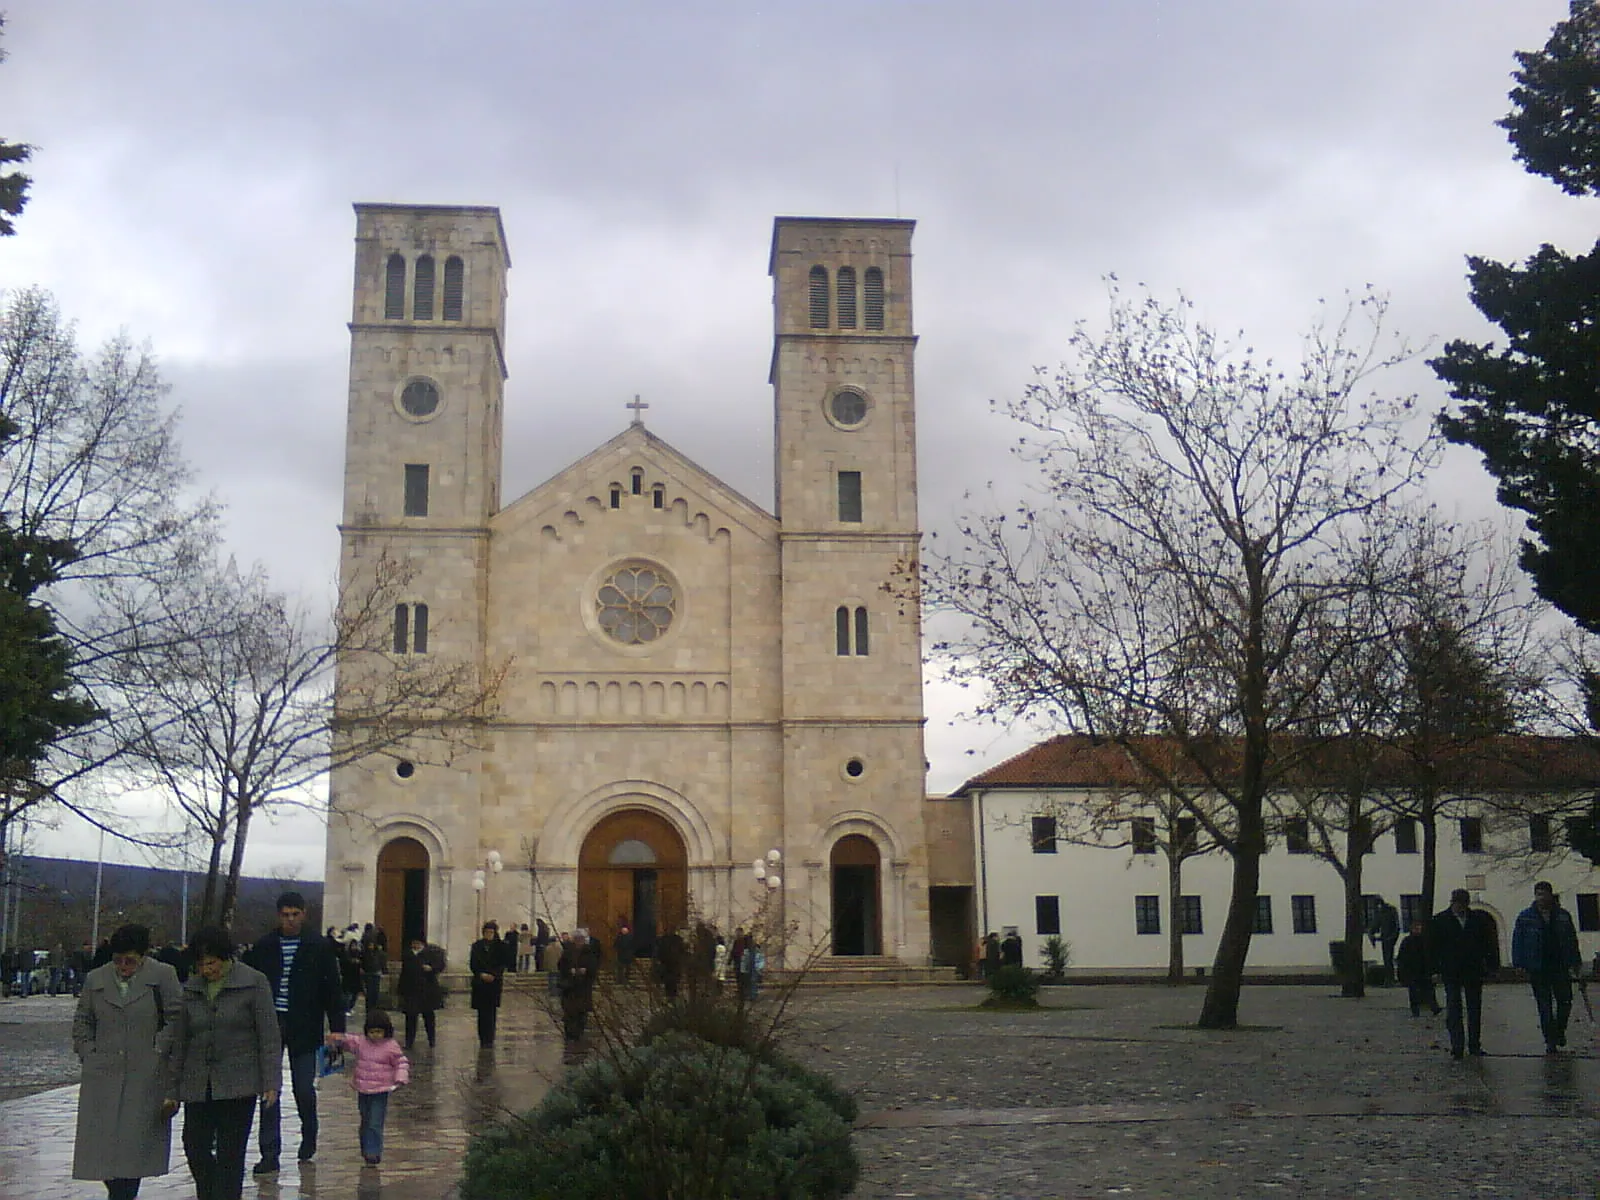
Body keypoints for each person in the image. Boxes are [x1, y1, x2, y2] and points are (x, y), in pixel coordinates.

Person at [71, 923, 184, 1200]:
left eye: (130, 961)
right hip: (103, 1074)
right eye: (118, 960)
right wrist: (88, 1051)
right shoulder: (96, 979)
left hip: (145, 1074)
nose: (123, 966)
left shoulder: (163, 976)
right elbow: (83, 1021)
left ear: (143, 956)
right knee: (104, 1150)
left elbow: (177, 1018)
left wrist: (159, 1048)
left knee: (133, 1151)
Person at [167, 926, 280, 1200]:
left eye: (212, 962)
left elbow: (268, 1035)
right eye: (201, 963)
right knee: (194, 1145)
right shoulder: (191, 989)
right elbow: (180, 1040)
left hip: (238, 1081)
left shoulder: (254, 982)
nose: (207, 969)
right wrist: (172, 1088)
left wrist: (271, 1082)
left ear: (225, 958)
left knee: (231, 1152)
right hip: (198, 1081)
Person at [242, 891, 347, 1174]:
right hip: (271, 1024)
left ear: (303, 914)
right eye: (285, 915)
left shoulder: (319, 946)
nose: (290, 920)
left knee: (303, 1087)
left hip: (306, 1023)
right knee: (269, 1088)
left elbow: (332, 988)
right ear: (279, 915)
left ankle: (309, 1130)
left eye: (295, 914)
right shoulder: (266, 946)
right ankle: (269, 1151)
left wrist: (337, 1029)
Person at [326, 1009, 409, 1166]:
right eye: (372, 1032)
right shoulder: (361, 1043)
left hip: (381, 1090)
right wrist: (337, 1038)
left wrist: (400, 1078)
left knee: (375, 1122)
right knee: (365, 1120)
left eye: (379, 1031)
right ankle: (366, 1147)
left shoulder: (391, 1046)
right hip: (363, 1089)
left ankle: (373, 1152)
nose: (375, 1035)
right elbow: (349, 1041)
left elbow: (401, 1062)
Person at [1511, 880, 1582, 1054]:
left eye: (1544, 894)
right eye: (1538, 894)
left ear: (1551, 895)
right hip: (1538, 966)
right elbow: (1517, 941)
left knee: (1565, 1001)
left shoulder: (1563, 916)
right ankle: (1550, 1040)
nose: (1541, 898)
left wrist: (1576, 962)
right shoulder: (1526, 917)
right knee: (1544, 1005)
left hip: (1560, 965)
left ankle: (1559, 1030)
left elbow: (1572, 940)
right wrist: (1519, 963)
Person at [1427, 888, 1499, 1059]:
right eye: (1457, 903)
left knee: (1474, 1009)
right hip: (1451, 971)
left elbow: (1487, 944)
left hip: (1473, 970)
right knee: (1454, 1008)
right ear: (1453, 903)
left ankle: (1474, 1044)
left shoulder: (1478, 920)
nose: (1460, 907)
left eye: (1462, 904)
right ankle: (1457, 1045)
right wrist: (1434, 970)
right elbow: (1432, 948)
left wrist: (1491, 966)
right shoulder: (1440, 921)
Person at [396, 937, 446, 1049]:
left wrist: (431, 968)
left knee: (428, 1016)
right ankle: (409, 1041)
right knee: (410, 1017)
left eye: (418, 943)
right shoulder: (408, 955)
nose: (415, 945)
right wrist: (401, 990)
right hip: (411, 990)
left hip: (427, 990)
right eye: (413, 943)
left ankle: (431, 1040)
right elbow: (404, 972)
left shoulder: (431, 953)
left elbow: (440, 966)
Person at [558, 928, 600, 1044]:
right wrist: (569, 971)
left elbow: (594, 967)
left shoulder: (589, 952)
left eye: (581, 939)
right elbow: (561, 966)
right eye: (577, 939)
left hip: (583, 988)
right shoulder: (568, 952)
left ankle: (578, 1034)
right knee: (569, 1013)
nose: (578, 941)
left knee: (581, 1013)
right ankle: (569, 1034)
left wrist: (585, 971)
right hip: (569, 988)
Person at [469, 921, 507, 1047]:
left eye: (491, 932)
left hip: (494, 983)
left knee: (491, 1012)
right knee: (481, 1012)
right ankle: (482, 1038)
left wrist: (494, 975)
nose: (489, 934)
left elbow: (502, 964)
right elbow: (473, 964)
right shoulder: (477, 946)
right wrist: (481, 974)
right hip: (480, 983)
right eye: (487, 932)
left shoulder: (500, 946)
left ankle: (490, 1038)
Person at [1394, 919, 1441, 1017]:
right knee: (1414, 993)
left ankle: (1434, 1007)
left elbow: (1431, 956)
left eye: (1419, 928)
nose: (1418, 930)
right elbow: (1402, 958)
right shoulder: (1407, 941)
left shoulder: (1425, 940)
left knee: (1429, 990)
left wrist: (1433, 970)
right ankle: (1416, 1010)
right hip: (1412, 971)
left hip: (1424, 971)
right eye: (1416, 928)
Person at [1367, 899, 1401, 986]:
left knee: (1388, 958)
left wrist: (1393, 937)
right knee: (1387, 959)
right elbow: (1375, 924)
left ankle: (1390, 979)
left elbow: (1397, 926)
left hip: (1390, 938)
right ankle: (1388, 979)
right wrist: (1371, 933)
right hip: (1385, 938)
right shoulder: (1380, 912)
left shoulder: (1391, 910)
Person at [360, 924, 387, 1012]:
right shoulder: (366, 953)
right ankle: (370, 1008)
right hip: (369, 972)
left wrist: (383, 969)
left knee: (374, 992)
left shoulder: (378, 953)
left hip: (375, 972)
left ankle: (373, 1008)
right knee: (370, 992)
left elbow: (382, 960)